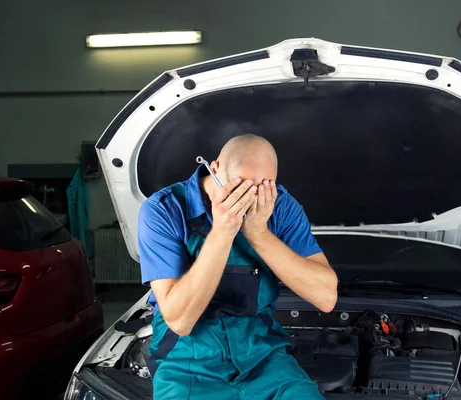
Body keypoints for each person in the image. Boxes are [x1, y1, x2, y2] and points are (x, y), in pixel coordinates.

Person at [138, 134, 338, 399]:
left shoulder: (280, 206)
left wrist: (259, 234)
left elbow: (326, 297)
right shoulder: (163, 210)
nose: (251, 199)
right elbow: (180, 321)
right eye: (239, 188)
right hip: (187, 360)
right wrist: (222, 232)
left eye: (263, 188)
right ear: (215, 168)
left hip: (262, 354)